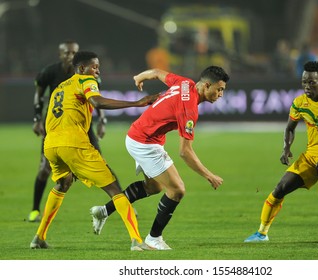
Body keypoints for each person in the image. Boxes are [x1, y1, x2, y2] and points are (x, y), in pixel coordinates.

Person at [89, 66, 230, 250]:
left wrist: (139, 76)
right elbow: (185, 152)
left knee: (153, 187)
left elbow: (156, 72)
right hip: (144, 142)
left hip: (139, 134)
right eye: (219, 89)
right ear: (206, 86)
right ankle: (154, 238)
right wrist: (209, 175)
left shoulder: (185, 82)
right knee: (177, 190)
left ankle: (103, 211)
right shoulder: (189, 110)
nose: (220, 94)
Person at [29, 51, 158, 251]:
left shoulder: (59, 88)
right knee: (114, 188)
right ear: (81, 68)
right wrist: (137, 103)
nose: (97, 70)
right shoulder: (86, 80)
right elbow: (97, 102)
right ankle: (137, 241)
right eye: (94, 67)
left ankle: (39, 238)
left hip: (51, 145)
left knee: (63, 183)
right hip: (73, 144)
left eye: (98, 67)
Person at [244, 61, 318, 242]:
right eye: (304, 82)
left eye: (312, 82)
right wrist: (286, 148)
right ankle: (262, 233)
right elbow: (290, 128)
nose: (307, 86)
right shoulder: (300, 103)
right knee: (280, 189)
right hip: (310, 156)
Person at [28, 40, 107, 222]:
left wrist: (102, 120)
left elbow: (98, 97)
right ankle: (34, 210)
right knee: (44, 169)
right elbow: (38, 95)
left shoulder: (87, 72)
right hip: (56, 126)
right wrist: (36, 118)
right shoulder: (50, 72)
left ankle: (117, 204)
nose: (70, 56)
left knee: (100, 165)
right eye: (67, 53)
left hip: (82, 126)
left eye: (74, 53)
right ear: (60, 55)